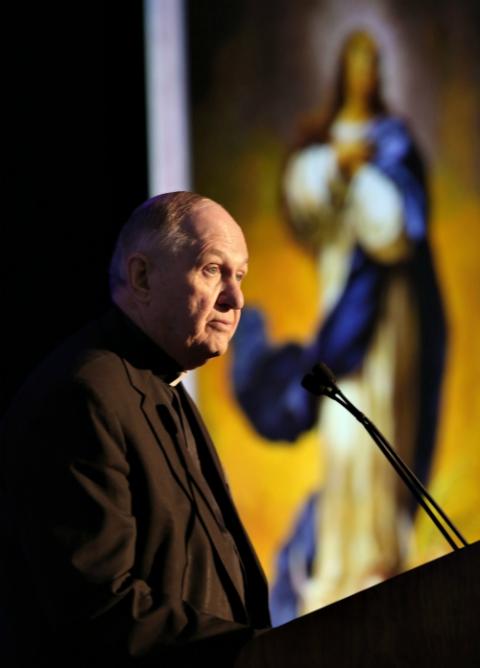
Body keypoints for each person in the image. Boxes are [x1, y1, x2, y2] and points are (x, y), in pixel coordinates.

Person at [0, 191, 271, 667]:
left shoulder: (163, 391)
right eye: (212, 270)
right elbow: (98, 606)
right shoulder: (83, 394)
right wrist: (252, 653)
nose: (236, 298)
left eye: (240, 275)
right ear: (142, 276)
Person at [232, 30, 446, 621]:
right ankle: (340, 574)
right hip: (344, 323)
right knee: (347, 442)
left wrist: (362, 176)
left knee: (384, 438)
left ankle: (377, 566)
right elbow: (303, 204)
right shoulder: (324, 147)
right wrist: (336, 165)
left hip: (389, 328)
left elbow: (400, 230)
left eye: (372, 63)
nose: (364, 74)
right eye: (354, 62)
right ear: (341, 72)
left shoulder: (395, 144)